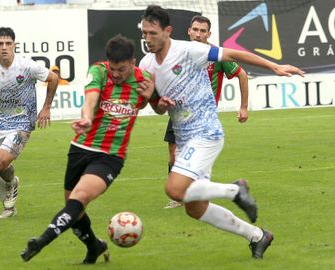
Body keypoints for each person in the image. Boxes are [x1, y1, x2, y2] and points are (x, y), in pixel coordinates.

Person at [139, 5, 304, 259]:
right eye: (144, 33)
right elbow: (156, 106)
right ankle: (258, 236)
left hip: (205, 132)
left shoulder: (189, 50)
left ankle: (236, 190)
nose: (147, 38)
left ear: (167, 31)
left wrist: (274, 66)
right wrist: (159, 104)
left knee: (174, 190)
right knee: (195, 209)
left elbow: (233, 54)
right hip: (185, 138)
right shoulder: (146, 63)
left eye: (152, 33)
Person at [20, 34, 154, 263]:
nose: (116, 74)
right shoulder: (99, 71)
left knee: (79, 198)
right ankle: (95, 246)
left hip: (110, 156)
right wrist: (87, 118)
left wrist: (152, 99)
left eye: (121, 69)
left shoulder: (145, 79)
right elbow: (90, 100)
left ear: (132, 62)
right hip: (80, 147)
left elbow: (155, 106)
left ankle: (40, 242)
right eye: (113, 68)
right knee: (74, 208)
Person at [0, 27, 59, 219]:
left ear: (15, 45)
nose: (4, 47)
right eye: (0, 44)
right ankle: (9, 200)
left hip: (22, 121)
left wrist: (46, 107)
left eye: (8, 43)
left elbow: (54, 78)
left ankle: (11, 189)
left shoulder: (26, 66)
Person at [164, 15, 249, 209]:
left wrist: (243, 107)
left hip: (203, 115)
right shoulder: (180, 52)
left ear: (208, 34)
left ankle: (198, 193)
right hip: (179, 110)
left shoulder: (216, 54)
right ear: (189, 31)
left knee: (197, 154)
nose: (198, 34)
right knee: (173, 152)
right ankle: (181, 195)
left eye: (203, 31)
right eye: (195, 29)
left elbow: (242, 75)